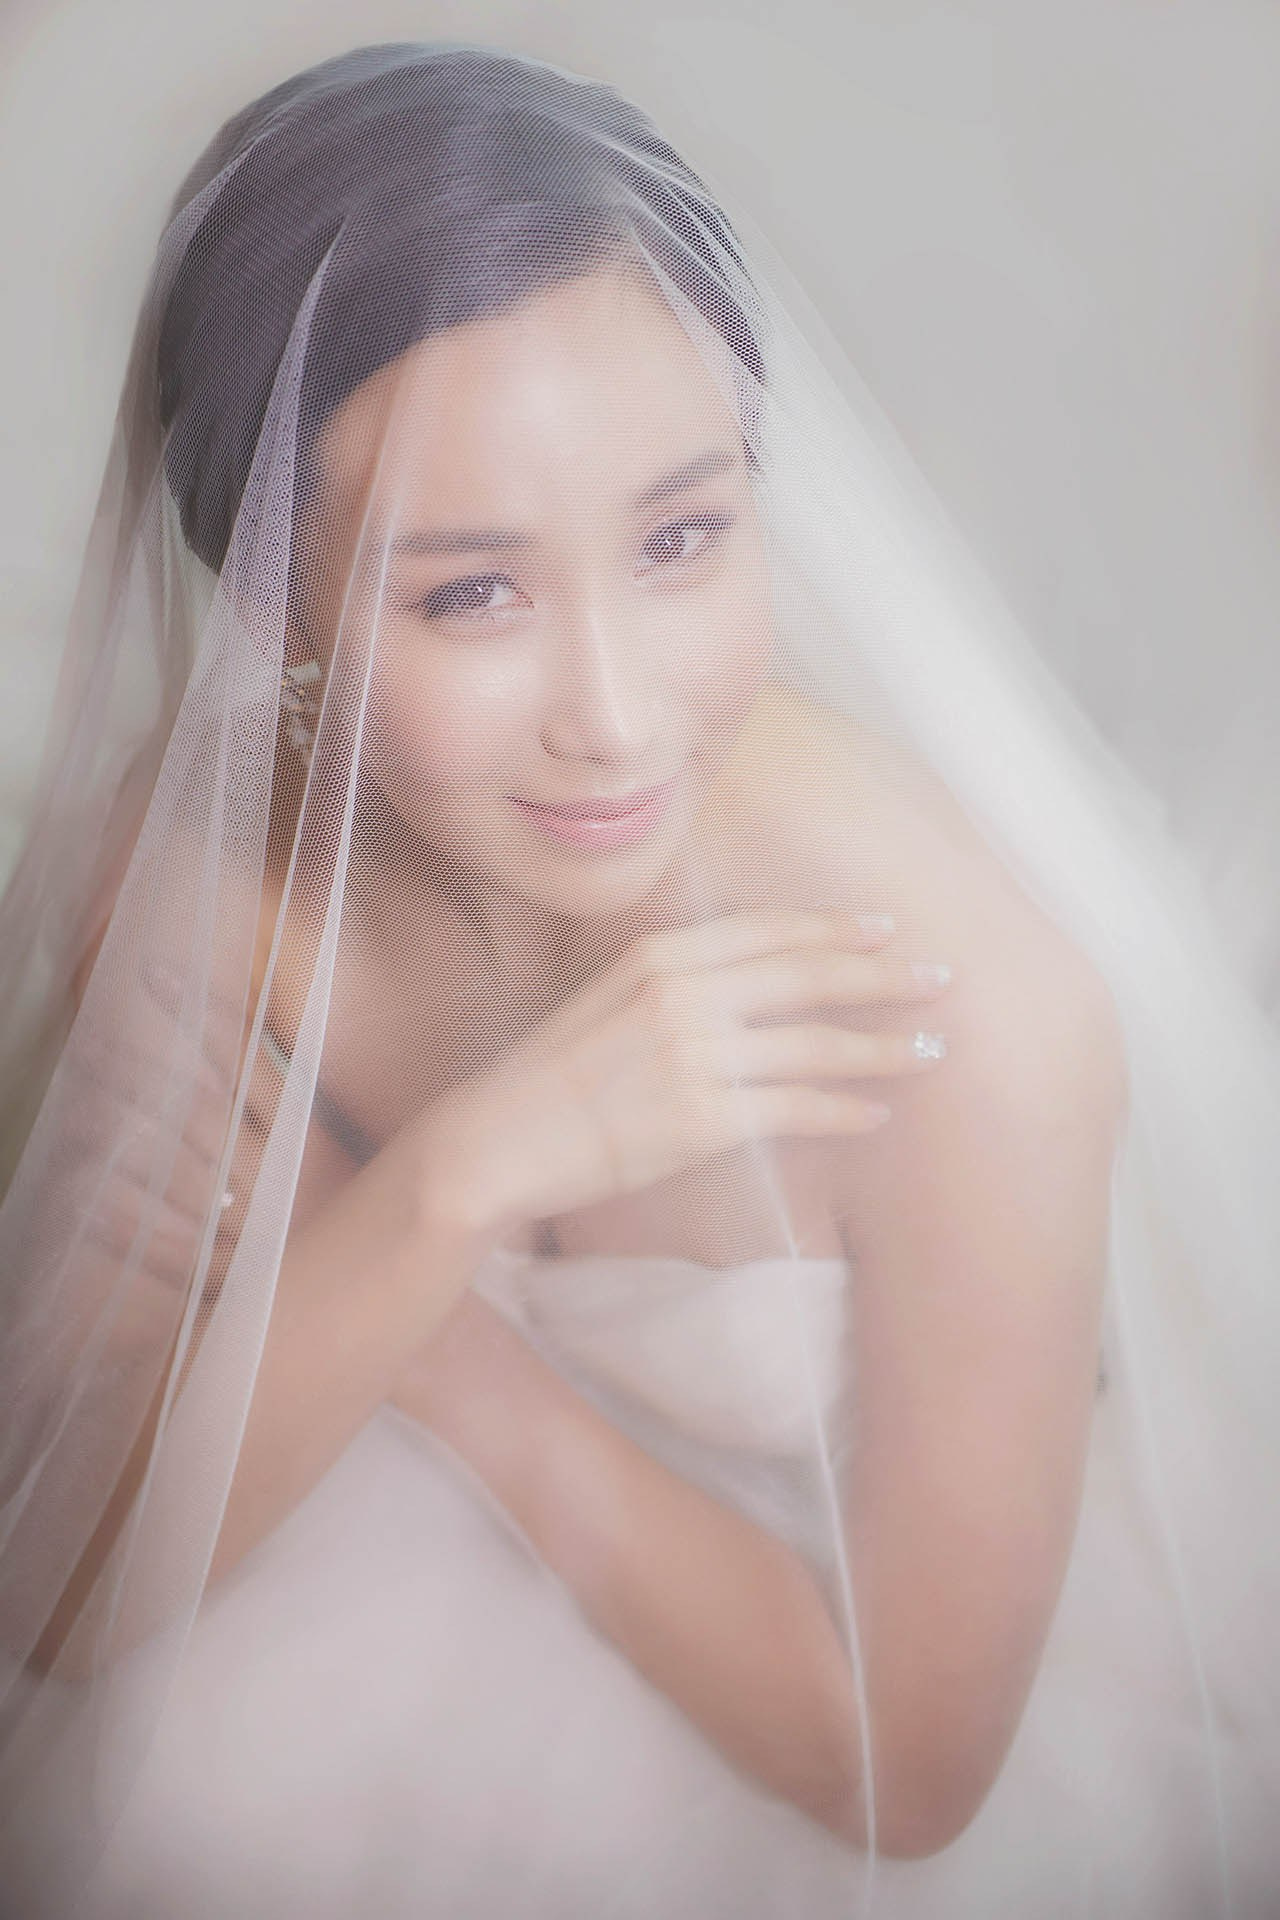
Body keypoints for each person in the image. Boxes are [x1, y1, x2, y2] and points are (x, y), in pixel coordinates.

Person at [0, 41, 1275, 1920]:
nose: (618, 717)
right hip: (383, 1625)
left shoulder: (970, 1020)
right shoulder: (188, 886)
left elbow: (908, 1774)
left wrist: (426, 1334)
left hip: (854, 1696)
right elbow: (69, 1606)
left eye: (682, 538)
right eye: (473, 594)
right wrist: (464, 1177)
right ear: (274, 603)